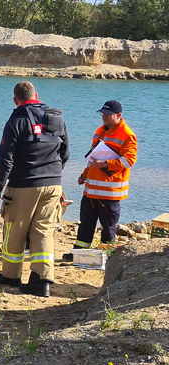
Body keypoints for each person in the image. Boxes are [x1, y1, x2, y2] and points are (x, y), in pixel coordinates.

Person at [0, 81, 69, 298]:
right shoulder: (57, 117)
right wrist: (52, 174)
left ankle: (11, 276)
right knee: (43, 231)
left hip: (23, 184)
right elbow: (65, 153)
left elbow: (5, 160)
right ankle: (41, 281)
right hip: (53, 184)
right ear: (37, 95)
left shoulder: (16, 121)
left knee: (15, 229)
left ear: (15, 101)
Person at [64, 100, 137, 259]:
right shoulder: (100, 131)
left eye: (108, 114)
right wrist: (84, 175)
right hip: (91, 190)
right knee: (86, 224)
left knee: (108, 227)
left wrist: (105, 164)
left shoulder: (127, 135)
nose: (104, 117)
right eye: (102, 113)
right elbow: (93, 157)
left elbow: (129, 161)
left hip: (110, 192)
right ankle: (79, 253)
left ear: (118, 116)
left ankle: (106, 257)